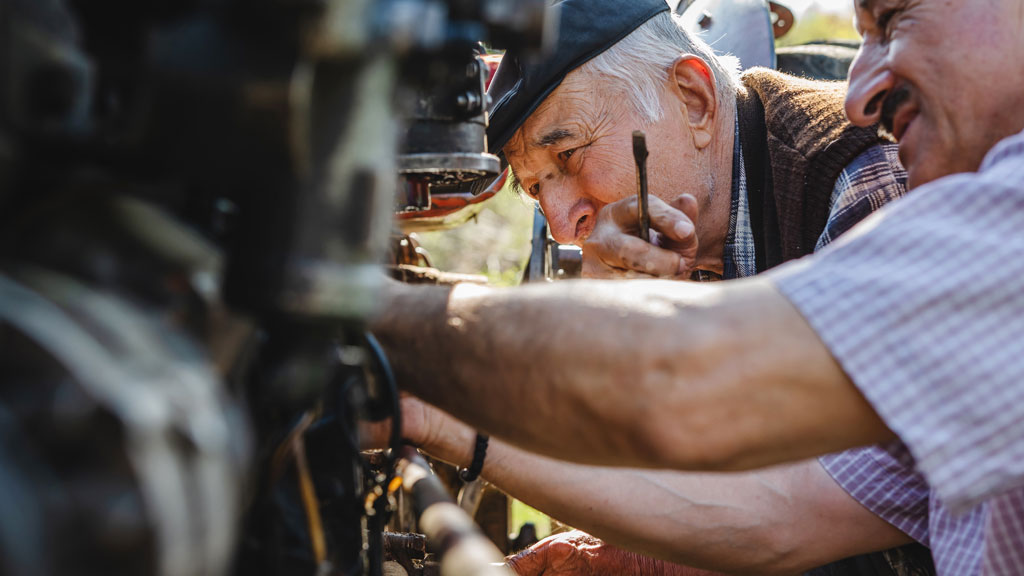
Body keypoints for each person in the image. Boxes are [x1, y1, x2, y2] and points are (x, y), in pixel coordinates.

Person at [371, 0, 1024, 574]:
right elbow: (786, 510)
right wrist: (430, 414)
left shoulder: (875, 188)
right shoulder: (696, 233)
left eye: (569, 157)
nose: (565, 224)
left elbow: (691, 383)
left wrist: (382, 332)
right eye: (537, 189)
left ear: (695, 99)